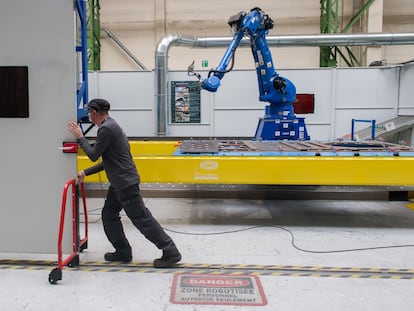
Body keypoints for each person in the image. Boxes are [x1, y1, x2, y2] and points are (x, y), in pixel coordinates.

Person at [67, 98, 181, 268]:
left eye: (89, 112)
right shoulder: (111, 125)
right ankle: (123, 251)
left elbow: (93, 154)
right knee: (109, 215)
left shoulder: (106, 129)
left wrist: (80, 137)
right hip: (119, 183)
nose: (88, 116)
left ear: (94, 113)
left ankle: (171, 251)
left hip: (125, 184)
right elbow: (109, 160)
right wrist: (86, 172)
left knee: (142, 219)